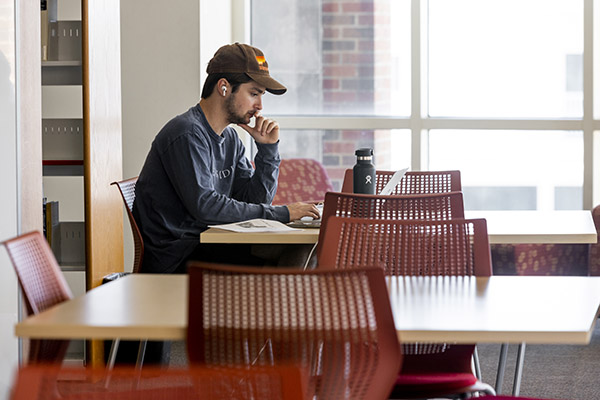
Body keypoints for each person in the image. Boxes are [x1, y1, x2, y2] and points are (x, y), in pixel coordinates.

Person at [132, 43, 320, 274]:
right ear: (223, 87)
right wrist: (285, 213)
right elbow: (206, 207)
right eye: (254, 94)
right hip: (180, 258)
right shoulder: (186, 134)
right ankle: (277, 308)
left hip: (210, 245)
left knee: (305, 247)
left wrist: (267, 151)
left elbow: (257, 200)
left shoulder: (229, 137)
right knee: (297, 250)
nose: (260, 106)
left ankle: (277, 308)